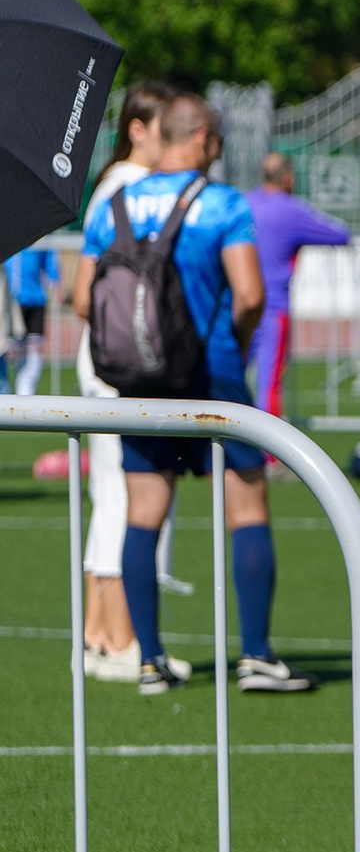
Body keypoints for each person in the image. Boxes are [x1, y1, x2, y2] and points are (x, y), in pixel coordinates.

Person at [69, 95, 314, 694]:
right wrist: (231, 341)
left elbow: (81, 300)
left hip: (139, 385)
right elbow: (251, 294)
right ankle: (255, 655)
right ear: (202, 139)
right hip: (214, 378)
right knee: (247, 509)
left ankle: (150, 659)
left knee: (142, 516)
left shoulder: (115, 204)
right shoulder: (223, 202)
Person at [75, 81, 180, 681]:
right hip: (124, 365)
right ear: (140, 130)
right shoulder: (129, 191)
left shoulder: (111, 188)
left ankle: (98, 633)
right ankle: (116, 637)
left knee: (111, 494)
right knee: (120, 496)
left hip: (108, 362)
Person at [245, 152, 351, 415]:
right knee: (268, 384)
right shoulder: (290, 210)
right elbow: (339, 233)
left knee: (229, 377)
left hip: (238, 305)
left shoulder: (244, 202)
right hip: (272, 308)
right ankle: (267, 455)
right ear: (288, 177)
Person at [8, 241, 58, 395]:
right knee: (10, 349)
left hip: (36, 299)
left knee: (34, 349)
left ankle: (25, 395)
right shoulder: (7, 229)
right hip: (10, 301)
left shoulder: (40, 232)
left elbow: (50, 259)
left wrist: (55, 281)